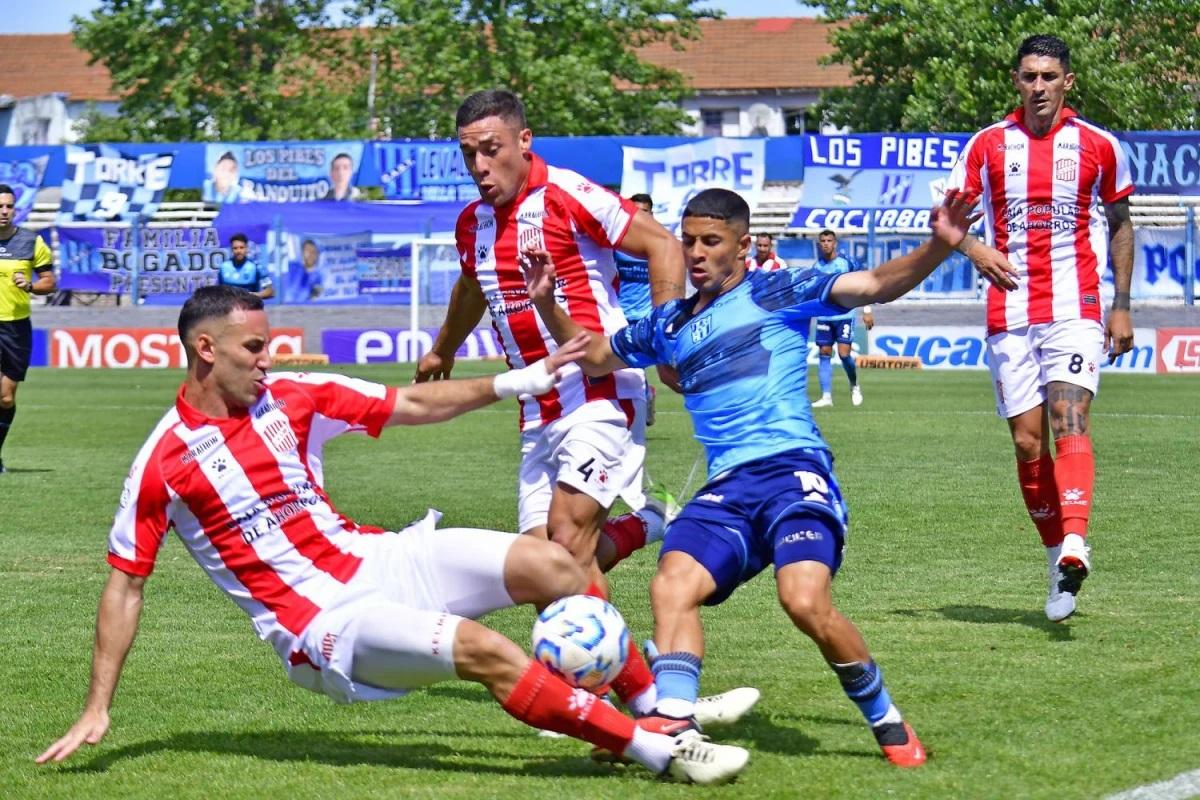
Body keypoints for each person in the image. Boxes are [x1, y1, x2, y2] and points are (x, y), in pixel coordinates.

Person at [34, 286, 749, 785]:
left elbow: (408, 401)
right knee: (485, 649)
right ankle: (654, 752)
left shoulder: (293, 397)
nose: (267, 358)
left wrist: (514, 383)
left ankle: (654, 709)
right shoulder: (163, 461)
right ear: (204, 349)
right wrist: (98, 706)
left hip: (379, 558)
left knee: (554, 565)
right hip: (323, 626)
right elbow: (125, 585)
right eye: (253, 347)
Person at [522, 187, 984, 768]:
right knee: (671, 584)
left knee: (804, 602)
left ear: (743, 246)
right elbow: (594, 358)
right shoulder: (669, 323)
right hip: (726, 491)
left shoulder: (778, 289)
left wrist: (939, 247)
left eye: (710, 241)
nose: (694, 253)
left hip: (793, 473)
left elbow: (873, 286)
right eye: (687, 240)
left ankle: (886, 719)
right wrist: (546, 303)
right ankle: (674, 716)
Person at [415, 89, 755, 730]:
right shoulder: (473, 224)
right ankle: (650, 659)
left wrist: (665, 339)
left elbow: (661, 244)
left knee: (568, 543)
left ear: (523, 141)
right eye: (469, 156)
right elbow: (471, 284)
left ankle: (649, 707)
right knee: (549, 568)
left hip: (600, 392)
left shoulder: (568, 194)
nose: (481, 166)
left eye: (491, 150)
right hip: (536, 407)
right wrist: (442, 350)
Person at [947, 34, 1135, 622]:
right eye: (1029, 76)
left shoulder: (1099, 145)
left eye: (1049, 76)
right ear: (1016, 81)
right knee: (1028, 443)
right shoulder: (986, 146)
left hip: (1074, 308)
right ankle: (1059, 561)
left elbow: (1122, 222)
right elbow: (946, 221)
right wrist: (976, 248)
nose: (1039, 87)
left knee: (1068, 417)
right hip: (1009, 315)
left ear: (1067, 82)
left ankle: (1076, 539)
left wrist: (1121, 303)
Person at [0, 184, 56, 474]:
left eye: (9, 206)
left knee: (6, 397)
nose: (4, 211)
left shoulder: (31, 242)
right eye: (0, 206)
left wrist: (31, 285)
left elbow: (50, 282)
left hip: (16, 328)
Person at [810, 230, 873, 408]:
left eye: (829, 240)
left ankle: (854, 385)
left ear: (835, 243)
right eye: (823, 241)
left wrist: (866, 310)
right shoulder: (817, 267)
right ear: (819, 244)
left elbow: (863, 283)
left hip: (845, 314)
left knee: (844, 354)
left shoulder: (847, 263)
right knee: (824, 353)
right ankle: (826, 397)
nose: (826, 244)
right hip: (824, 316)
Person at [613, 193, 658, 425]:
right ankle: (642, 399)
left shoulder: (659, 243)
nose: (639, 215)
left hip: (647, 316)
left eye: (644, 211)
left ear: (652, 213)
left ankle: (641, 402)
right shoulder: (618, 243)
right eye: (635, 210)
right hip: (619, 314)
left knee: (635, 364)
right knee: (621, 367)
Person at [216, 233, 274, 300]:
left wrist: (251, 296)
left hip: (251, 307)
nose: (239, 251)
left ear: (247, 248)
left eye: (241, 247)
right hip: (230, 308)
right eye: (235, 248)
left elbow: (270, 292)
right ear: (231, 249)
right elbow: (219, 291)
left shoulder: (256, 267)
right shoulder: (224, 267)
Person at [284, 238, 322, 303]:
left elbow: (315, 298)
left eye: (313, 252)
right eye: (308, 251)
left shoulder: (318, 276)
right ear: (302, 252)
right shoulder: (293, 267)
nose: (310, 255)